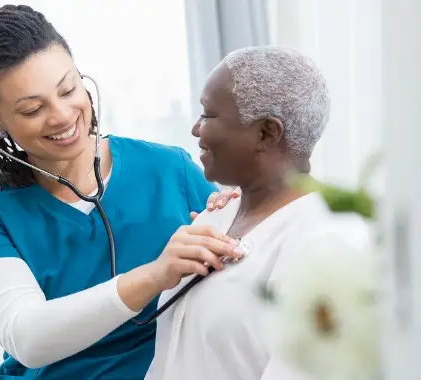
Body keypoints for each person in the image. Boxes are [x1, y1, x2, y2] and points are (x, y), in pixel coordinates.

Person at [0, 5, 241, 379]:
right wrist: (156, 274)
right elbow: (27, 338)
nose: (62, 115)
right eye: (33, 109)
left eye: (68, 89)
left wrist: (239, 220)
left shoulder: (170, 170)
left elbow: (243, 284)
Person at [144, 46, 373, 380]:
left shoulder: (325, 241)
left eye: (208, 114)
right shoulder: (215, 216)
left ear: (267, 132)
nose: (195, 129)